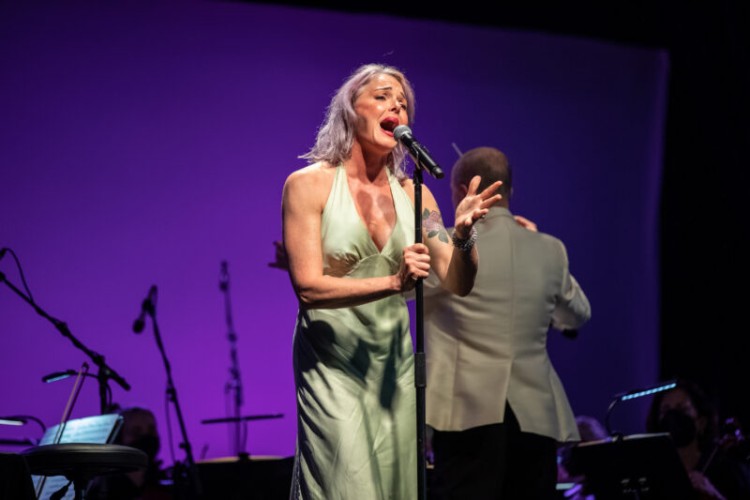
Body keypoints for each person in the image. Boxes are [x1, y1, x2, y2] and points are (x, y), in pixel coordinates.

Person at [280, 63, 502, 500]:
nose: (396, 106)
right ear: (349, 109)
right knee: (347, 484)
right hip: (333, 364)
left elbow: (458, 281)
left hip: (395, 368)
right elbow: (307, 288)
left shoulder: (414, 193)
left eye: (402, 103)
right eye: (382, 96)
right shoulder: (308, 185)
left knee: (396, 486)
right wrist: (392, 282)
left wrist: (463, 236)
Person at [423, 146, 591, 499]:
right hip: (535, 416)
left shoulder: (447, 246)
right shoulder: (550, 248)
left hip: (466, 410)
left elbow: (395, 289)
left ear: (460, 190)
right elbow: (577, 314)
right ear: (509, 192)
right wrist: (538, 247)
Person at [645, 378, 750, 499]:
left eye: (682, 409)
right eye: (665, 410)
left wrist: (714, 495)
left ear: (701, 422)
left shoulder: (728, 471)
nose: (673, 417)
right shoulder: (653, 474)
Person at [86, 406, 171, 500]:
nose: (146, 437)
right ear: (118, 439)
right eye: (136, 433)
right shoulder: (103, 488)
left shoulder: (162, 484)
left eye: (151, 430)